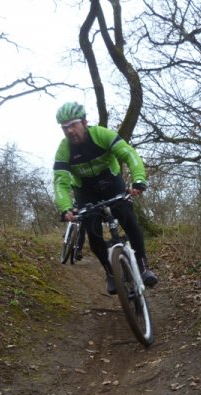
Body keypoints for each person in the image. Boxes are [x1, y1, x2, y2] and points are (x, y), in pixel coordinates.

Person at [53, 101, 158, 294]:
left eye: (72, 125)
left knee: (130, 222)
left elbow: (129, 154)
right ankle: (111, 273)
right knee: (93, 234)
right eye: (64, 127)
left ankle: (143, 267)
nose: (69, 131)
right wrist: (65, 207)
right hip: (85, 191)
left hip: (112, 184)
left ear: (84, 122)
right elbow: (60, 181)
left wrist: (138, 180)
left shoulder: (102, 135)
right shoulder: (64, 149)